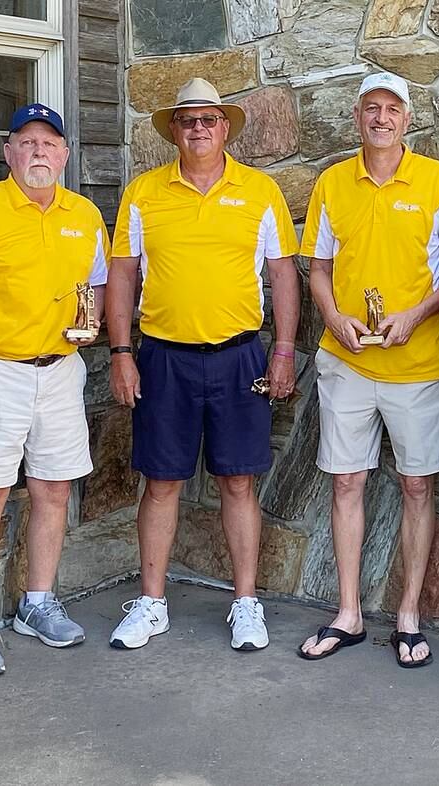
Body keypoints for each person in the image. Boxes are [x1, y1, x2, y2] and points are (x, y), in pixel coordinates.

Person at [105, 78, 300, 652]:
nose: (198, 129)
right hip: (164, 358)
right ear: (173, 131)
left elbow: (283, 273)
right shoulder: (144, 192)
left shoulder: (260, 192)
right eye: (188, 120)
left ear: (225, 128)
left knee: (238, 482)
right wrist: (121, 354)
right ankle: (152, 603)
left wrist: (283, 349)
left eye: (209, 119)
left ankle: (245, 603)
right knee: (161, 483)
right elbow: (123, 274)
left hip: (240, 357)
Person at [296, 73, 439, 667]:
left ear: (407, 120)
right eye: (372, 109)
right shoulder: (331, 182)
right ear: (358, 118)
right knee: (346, 482)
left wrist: (417, 316)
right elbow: (316, 267)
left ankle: (408, 614)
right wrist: (334, 316)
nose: (381, 119)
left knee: (418, 485)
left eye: (393, 109)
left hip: (417, 364)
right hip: (346, 359)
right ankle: (347, 613)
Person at [0, 104, 111, 676]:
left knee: (53, 492)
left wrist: (92, 326)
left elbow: (97, 286)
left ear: (64, 155)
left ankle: (36, 603)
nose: (40, 152)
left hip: (61, 369)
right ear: (8, 152)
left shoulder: (85, 214)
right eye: (27, 142)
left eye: (50, 143)